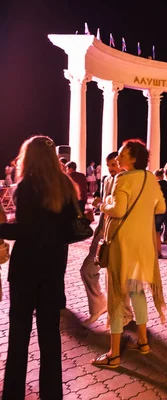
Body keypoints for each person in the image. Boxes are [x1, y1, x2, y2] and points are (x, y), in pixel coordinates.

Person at [0, 135, 79, 399]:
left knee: (19, 334)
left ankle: (12, 393)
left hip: (25, 270)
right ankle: (52, 394)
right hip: (53, 269)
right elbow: (69, 230)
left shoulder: (26, 186)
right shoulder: (66, 185)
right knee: (49, 334)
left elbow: (25, 230)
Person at [91, 139, 166, 368]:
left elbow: (119, 210)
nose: (119, 156)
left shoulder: (122, 179)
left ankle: (114, 354)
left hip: (121, 245)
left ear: (133, 158)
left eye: (123, 153)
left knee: (115, 297)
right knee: (137, 291)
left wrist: (102, 204)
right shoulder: (151, 178)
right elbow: (161, 208)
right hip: (142, 245)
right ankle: (143, 342)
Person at [80, 151, 134, 326]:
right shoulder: (107, 180)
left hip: (119, 236)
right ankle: (98, 305)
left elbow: (120, 210)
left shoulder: (128, 181)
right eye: (108, 164)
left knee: (116, 278)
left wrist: (100, 205)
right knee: (87, 270)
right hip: (102, 234)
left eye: (114, 164)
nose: (110, 168)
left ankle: (126, 316)